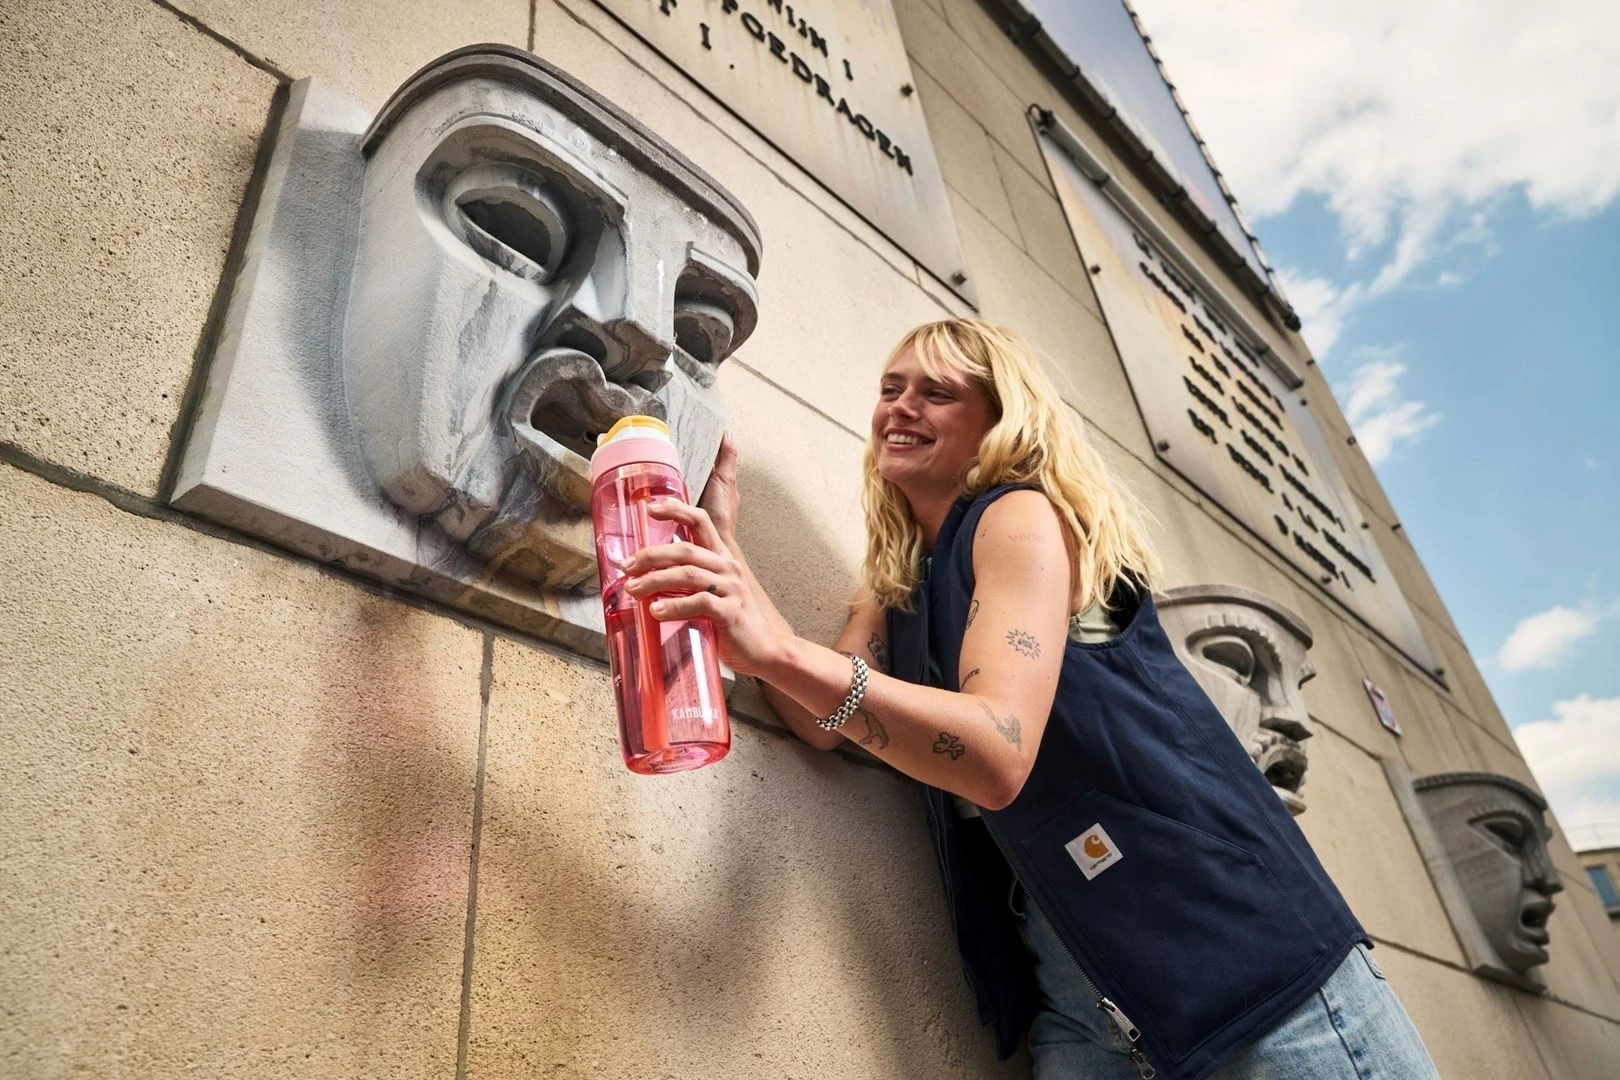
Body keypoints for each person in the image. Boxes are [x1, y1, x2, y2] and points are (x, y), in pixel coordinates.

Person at [620, 318, 1438, 1079]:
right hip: (1081, 994)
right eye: (890, 388)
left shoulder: (1019, 516)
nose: (899, 406)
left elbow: (995, 751)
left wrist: (775, 647)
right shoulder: (899, 582)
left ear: (999, 419)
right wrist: (725, 550)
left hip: (1247, 967)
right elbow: (821, 719)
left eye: (936, 392)